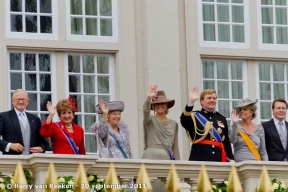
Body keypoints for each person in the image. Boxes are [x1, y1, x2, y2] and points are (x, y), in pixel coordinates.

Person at [180, 87, 234, 162]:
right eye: (209, 98)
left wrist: (231, 159)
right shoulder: (194, 116)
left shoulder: (221, 118)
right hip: (200, 158)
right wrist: (191, 102)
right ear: (202, 101)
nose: (212, 100)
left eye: (214, 98)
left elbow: (226, 142)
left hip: (218, 159)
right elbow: (184, 122)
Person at [0, 89, 47, 155]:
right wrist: (10, 145)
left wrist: (41, 148)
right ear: (12, 101)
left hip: (32, 162)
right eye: (18, 99)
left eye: (23, 99)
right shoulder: (4, 116)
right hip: (12, 160)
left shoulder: (35, 119)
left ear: (28, 101)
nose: (21, 102)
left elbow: (42, 142)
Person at [142, 85, 180, 160]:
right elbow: (145, 111)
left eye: (162, 103)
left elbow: (175, 147)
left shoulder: (174, 123)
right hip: (150, 156)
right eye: (157, 104)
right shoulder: (149, 120)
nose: (160, 106)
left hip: (167, 156)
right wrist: (148, 98)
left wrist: (177, 164)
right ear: (153, 106)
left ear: (167, 105)